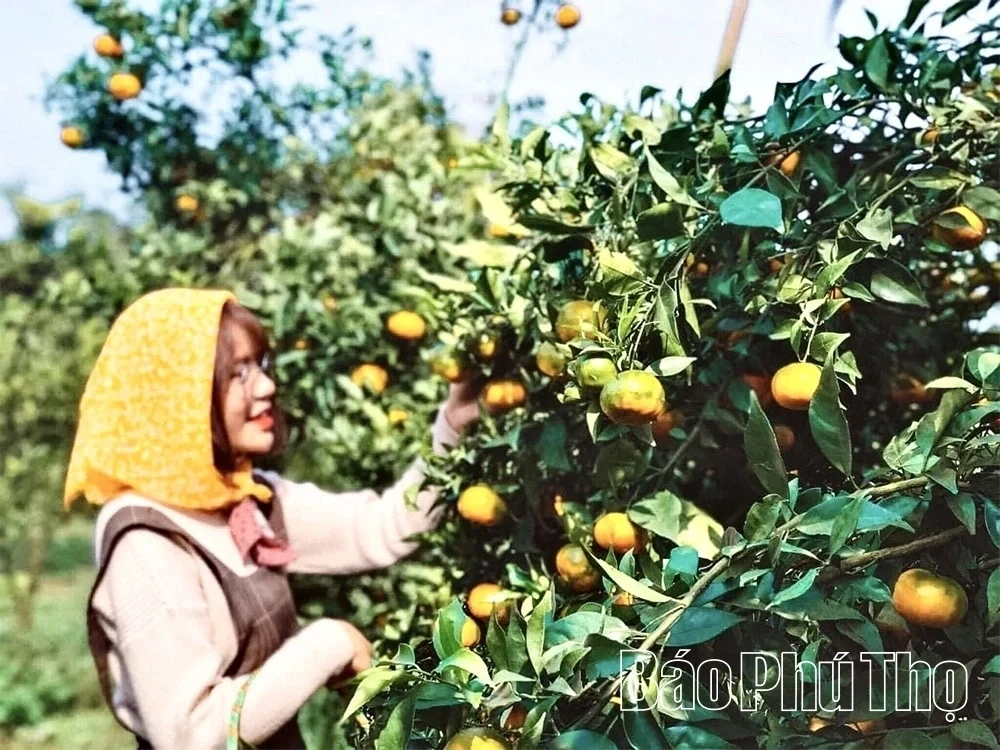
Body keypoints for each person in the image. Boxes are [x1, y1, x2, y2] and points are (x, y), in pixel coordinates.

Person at [62, 288, 481, 749]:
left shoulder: (244, 497)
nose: (265, 387)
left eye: (260, 366)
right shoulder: (147, 540)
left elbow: (381, 527)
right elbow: (190, 738)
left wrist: (453, 426)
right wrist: (328, 643)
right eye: (236, 374)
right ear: (176, 396)